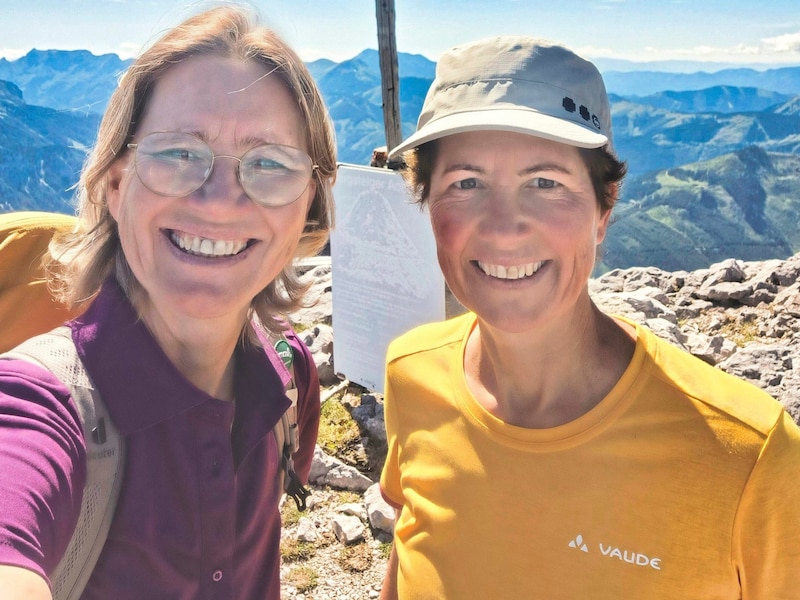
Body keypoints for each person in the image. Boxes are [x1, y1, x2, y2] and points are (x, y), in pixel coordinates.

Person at [378, 35, 800, 599]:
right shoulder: (412, 375)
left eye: (545, 183)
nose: (504, 227)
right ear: (428, 203)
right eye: (466, 183)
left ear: (605, 208)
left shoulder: (750, 457)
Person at [0, 5, 336, 599]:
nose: (221, 201)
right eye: (179, 153)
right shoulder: (38, 405)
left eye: (270, 164)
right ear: (116, 183)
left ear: (308, 209)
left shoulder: (288, 373)